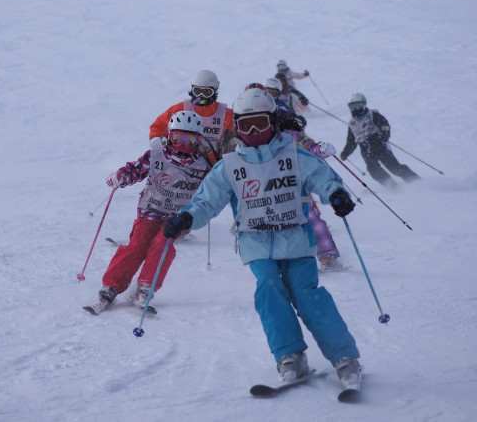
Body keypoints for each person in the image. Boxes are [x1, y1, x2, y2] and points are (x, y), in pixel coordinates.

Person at [163, 87, 362, 390]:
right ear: (237, 128)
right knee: (268, 290)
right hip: (255, 241)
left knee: (307, 294)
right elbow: (207, 200)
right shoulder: (230, 165)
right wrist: (187, 217)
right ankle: (290, 356)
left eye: (260, 124)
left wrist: (335, 194)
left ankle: (345, 358)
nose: (254, 131)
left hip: (295, 238)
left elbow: (322, 176)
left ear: (273, 122)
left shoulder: (294, 155)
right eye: (246, 125)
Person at [85, 111, 210, 315]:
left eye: (190, 139)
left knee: (163, 245)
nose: (183, 143)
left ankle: (145, 288)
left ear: (198, 139)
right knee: (137, 246)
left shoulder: (201, 165)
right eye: (178, 137)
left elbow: (212, 189)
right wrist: (121, 177)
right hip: (150, 210)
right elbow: (136, 169)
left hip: (176, 217)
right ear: (170, 135)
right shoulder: (157, 154)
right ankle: (111, 286)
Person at [264, 78, 344, 271]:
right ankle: (285, 262)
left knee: (311, 218)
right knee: (277, 225)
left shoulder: (292, 131)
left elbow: (309, 146)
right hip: (269, 184)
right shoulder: (259, 132)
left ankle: (327, 255)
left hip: (294, 181)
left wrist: (321, 149)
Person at [149, 69, 235, 165]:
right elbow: (159, 125)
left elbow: (241, 132)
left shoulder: (226, 115)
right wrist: (155, 137)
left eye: (207, 92)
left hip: (213, 167)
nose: (202, 96)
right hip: (182, 164)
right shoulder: (181, 109)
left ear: (214, 92)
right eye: (198, 91)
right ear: (192, 90)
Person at [339, 93, 420, 188]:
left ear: (363, 104)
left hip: (379, 145)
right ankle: (392, 186)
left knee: (394, 167)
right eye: (352, 107)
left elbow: (385, 125)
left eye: (357, 106)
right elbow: (351, 142)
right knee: (373, 170)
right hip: (365, 149)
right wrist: (346, 152)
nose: (355, 110)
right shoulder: (352, 123)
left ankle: (415, 181)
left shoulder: (372, 114)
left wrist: (383, 135)